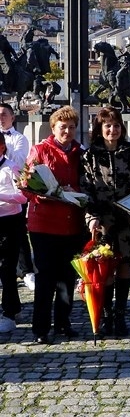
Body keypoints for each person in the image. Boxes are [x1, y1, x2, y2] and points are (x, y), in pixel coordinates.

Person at [81, 107, 130, 337]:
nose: (112, 130)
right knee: (105, 271)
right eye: (107, 126)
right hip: (103, 221)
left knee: (125, 268)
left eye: (116, 126)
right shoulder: (90, 156)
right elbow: (86, 191)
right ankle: (106, 316)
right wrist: (91, 217)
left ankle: (120, 315)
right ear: (100, 129)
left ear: (121, 129)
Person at [25, 106, 87, 344]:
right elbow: (26, 184)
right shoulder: (40, 150)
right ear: (53, 128)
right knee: (45, 278)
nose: (68, 131)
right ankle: (41, 328)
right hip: (44, 224)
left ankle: (63, 322)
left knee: (67, 278)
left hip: (72, 223)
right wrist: (45, 194)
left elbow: (88, 181)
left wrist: (76, 192)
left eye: (72, 127)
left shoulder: (80, 152)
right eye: (63, 127)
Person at [0, 103, 34, 292]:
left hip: (14, 194)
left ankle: (27, 272)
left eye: (4, 114)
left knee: (20, 236)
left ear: (12, 117)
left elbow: (19, 161)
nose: (1, 117)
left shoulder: (20, 138)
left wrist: (4, 152)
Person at [0, 132, 27, 334]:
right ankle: (15, 308)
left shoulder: (11, 168)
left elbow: (23, 196)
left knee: (7, 268)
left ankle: (9, 313)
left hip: (9, 221)